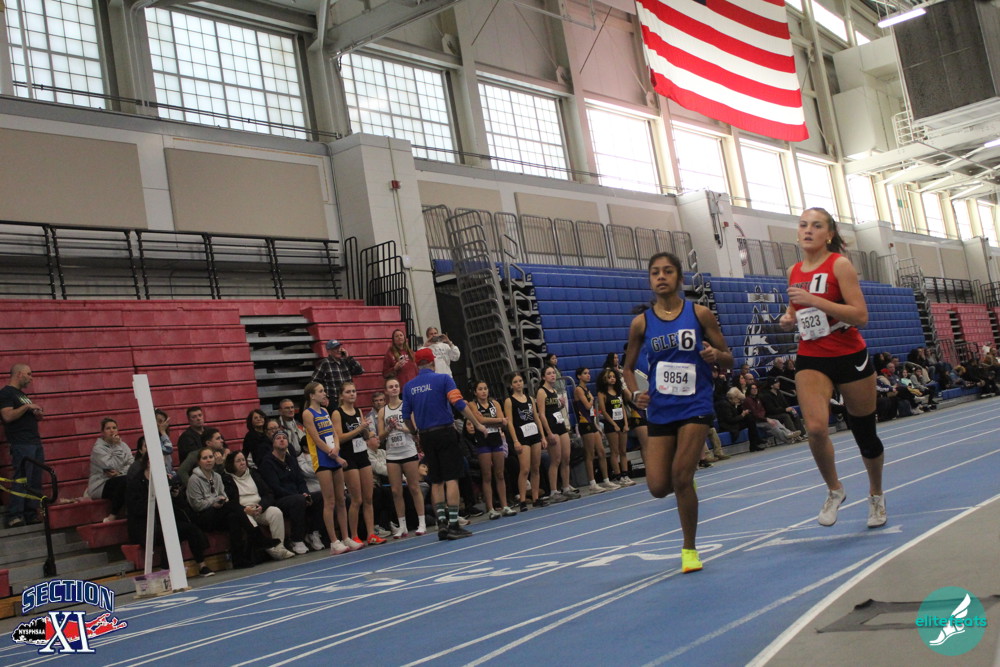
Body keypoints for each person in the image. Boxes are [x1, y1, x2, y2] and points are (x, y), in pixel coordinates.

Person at [624, 252, 733, 574]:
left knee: (682, 476)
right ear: (650, 280)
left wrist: (715, 355)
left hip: (695, 405)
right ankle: (685, 486)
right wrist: (634, 394)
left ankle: (689, 549)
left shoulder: (699, 314)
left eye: (668, 271)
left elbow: (729, 357)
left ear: (680, 278)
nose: (661, 276)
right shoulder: (641, 323)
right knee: (659, 487)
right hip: (661, 408)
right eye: (655, 272)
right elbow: (627, 368)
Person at [779, 207, 887, 529]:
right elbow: (795, 308)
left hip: (848, 353)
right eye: (803, 225)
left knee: (864, 433)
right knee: (814, 428)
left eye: (816, 225)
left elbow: (860, 315)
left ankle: (876, 494)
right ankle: (834, 489)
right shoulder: (793, 270)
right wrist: (788, 317)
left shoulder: (839, 265)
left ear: (829, 234)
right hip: (811, 354)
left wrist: (815, 301)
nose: (808, 230)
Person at [401, 347, 486, 541]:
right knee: (451, 478)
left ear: (417, 364)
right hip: (445, 432)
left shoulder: (409, 387)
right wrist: (477, 423)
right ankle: (454, 524)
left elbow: (406, 416)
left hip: (426, 435)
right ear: (432, 362)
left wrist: (414, 433)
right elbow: (459, 403)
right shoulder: (443, 379)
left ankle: (441, 523)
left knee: (436, 480)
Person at [126, 453, 214, 577]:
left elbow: (180, 505)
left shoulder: (164, 479)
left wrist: (176, 495)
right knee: (169, 533)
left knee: (191, 529)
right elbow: (136, 509)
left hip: (165, 521)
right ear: (149, 462)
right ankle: (165, 570)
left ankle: (202, 565)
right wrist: (157, 500)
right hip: (144, 526)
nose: (163, 465)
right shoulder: (136, 483)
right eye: (160, 462)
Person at [186, 447, 275, 569]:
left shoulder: (217, 476)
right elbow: (197, 505)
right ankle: (257, 536)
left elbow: (223, 495)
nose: (209, 460)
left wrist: (221, 501)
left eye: (211, 457)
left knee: (233, 517)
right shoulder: (194, 479)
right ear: (199, 462)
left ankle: (238, 559)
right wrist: (214, 502)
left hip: (219, 512)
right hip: (203, 516)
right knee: (233, 506)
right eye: (205, 458)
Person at [301, 381, 358, 555]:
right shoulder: (307, 413)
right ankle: (334, 541)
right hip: (322, 459)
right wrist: (334, 455)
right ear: (312, 395)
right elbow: (316, 439)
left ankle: (346, 537)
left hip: (334, 454)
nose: (324, 393)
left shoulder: (325, 411)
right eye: (320, 391)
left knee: (341, 498)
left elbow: (334, 433)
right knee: (330, 501)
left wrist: (337, 447)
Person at [257, 427, 326, 554]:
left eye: (284, 438)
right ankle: (296, 539)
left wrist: (305, 493)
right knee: (298, 500)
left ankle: (313, 533)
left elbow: (300, 481)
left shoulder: (291, 459)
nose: (282, 440)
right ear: (273, 443)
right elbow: (275, 487)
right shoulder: (267, 462)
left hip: (297, 495)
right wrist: (300, 496)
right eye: (278, 438)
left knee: (320, 496)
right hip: (279, 499)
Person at [332, 381, 384, 546]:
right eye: (348, 392)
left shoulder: (358, 411)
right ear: (341, 395)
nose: (352, 394)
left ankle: (371, 534)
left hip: (362, 455)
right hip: (349, 457)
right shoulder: (337, 413)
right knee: (357, 499)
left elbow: (365, 434)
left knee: (369, 498)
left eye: (354, 391)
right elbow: (339, 437)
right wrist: (359, 429)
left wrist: (368, 431)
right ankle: (353, 536)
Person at [377, 377, 427, 538]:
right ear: (386, 391)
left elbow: (414, 429)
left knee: (414, 487)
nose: (394, 389)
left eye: (396, 386)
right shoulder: (383, 411)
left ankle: (422, 522)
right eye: (391, 387)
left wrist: (401, 427)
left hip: (408, 451)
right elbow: (380, 436)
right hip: (392, 454)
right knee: (396, 490)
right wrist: (389, 428)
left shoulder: (406, 406)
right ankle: (402, 525)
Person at [224, 450, 296, 561]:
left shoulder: (254, 474)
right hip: (244, 512)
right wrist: (245, 509)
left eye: (243, 460)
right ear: (231, 464)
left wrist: (262, 506)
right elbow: (231, 502)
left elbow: (268, 494)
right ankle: (271, 550)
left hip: (259, 508)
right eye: (238, 461)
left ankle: (279, 547)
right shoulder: (227, 479)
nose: (242, 463)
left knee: (275, 512)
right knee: (246, 519)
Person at [0, 364, 45, 527]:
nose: (31, 378)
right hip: (21, 443)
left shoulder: (22, 395)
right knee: (22, 479)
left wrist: (37, 415)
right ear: (19, 374)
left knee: (34, 479)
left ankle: (30, 513)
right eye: (29, 374)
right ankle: (15, 515)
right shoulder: (6, 393)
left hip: (34, 441)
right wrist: (26, 407)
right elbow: (7, 416)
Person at [470, 380, 516, 520]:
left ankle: (505, 505)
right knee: (487, 475)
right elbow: (480, 420)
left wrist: (498, 421)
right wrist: (497, 420)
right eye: (480, 389)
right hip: (483, 441)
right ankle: (490, 508)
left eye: (485, 388)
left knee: (500, 474)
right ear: (475, 392)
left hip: (496, 439)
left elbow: (503, 421)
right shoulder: (473, 405)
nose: (483, 391)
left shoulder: (495, 403)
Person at [505, 372, 548, 511]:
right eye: (515, 382)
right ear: (511, 385)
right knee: (524, 469)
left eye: (520, 381)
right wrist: (515, 440)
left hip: (534, 434)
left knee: (536, 467)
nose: (518, 384)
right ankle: (523, 500)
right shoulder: (509, 401)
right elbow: (510, 423)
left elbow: (536, 417)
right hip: (522, 436)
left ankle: (535, 498)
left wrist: (543, 436)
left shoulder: (530, 399)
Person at [536, 366, 579, 504]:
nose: (552, 375)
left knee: (566, 458)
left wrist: (561, 405)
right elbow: (542, 414)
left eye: (553, 373)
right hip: (552, 428)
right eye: (549, 373)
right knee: (556, 460)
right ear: (543, 377)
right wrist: (548, 433)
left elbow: (554, 409)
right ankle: (554, 491)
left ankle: (566, 487)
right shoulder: (541, 392)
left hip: (560, 426)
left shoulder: (554, 391)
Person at [86, 417, 135, 522]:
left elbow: (132, 464)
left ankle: (133, 514)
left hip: (120, 477)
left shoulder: (124, 445)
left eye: (114, 428)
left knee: (133, 480)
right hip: (102, 483)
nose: (112, 431)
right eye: (108, 428)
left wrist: (120, 472)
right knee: (124, 481)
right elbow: (112, 466)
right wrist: (116, 447)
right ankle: (113, 514)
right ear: (102, 432)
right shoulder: (98, 449)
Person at [573, 368, 614, 493]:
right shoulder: (579, 390)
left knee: (601, 452)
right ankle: (592, 483)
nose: (588, 375)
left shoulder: (587, 390)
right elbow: (587, 406)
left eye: (589, 373)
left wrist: (597, 425)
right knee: (590, 454)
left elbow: (592, 411)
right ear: (579, 376)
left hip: (591, 423)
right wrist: (591, 399)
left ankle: (606, 480)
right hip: (584, 424)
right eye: (585, 373)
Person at [598, 367, 634, 486]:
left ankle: (625, 474)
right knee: (615, 451)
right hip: (611, 424)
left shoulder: (618, 391)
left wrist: (626, 423)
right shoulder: (602, 394)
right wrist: (614, 424)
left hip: (621, 423)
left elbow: (622, 407)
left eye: (614, 377)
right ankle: (618, 476)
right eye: (609, 377)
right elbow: (603, 411)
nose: (612, 379)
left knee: (623, 450)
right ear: (604, 379)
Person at [311, 339, 364, 405]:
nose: (339, 350)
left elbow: (360, 371)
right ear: (329, 351)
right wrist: (323, 397)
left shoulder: (346, 361)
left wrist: (348, 357)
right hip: (333, 400)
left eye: (339, 348)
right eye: (335, 348)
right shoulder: (325, 363)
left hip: (347, 399)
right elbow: (314, 382)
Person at [153, 409, 175, 476]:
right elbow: (168, 449)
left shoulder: (163, 438)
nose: (163, 424)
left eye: (164, 421)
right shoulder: (152, 440)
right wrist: (163, 431)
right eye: (160, 421)